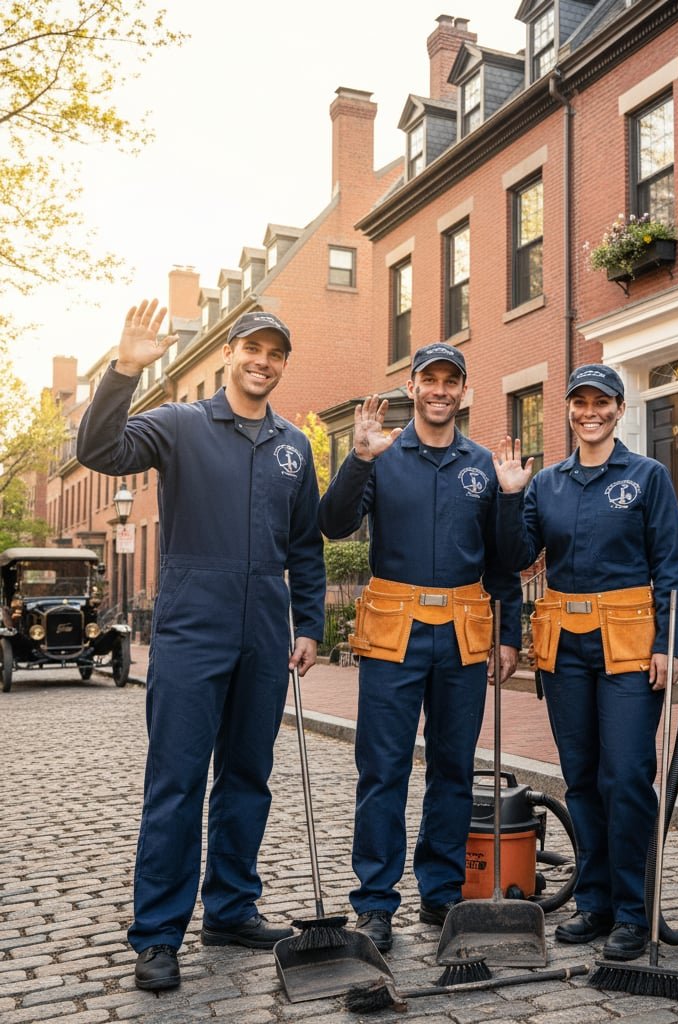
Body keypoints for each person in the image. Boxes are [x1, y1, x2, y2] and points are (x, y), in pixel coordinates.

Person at [77, 301, 325, 992]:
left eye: (276, 352)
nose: (263, 361)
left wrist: (310, 623)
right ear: (228, 353)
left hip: (264, 632)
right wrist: (125, 370)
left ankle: (231, 907)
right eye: (252, 348)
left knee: (247, 778)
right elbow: (97, 451)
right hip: (192, 628)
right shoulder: (180, 425)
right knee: (177, 783)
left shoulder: (294, 445)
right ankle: (157, 934)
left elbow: (305, 544)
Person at [317, 342, 522, 954]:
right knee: (383, 770)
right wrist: (356, 459)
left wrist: (508, 633)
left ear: (464, 390)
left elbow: (506, 564)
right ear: (411, 386)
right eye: (428, 379)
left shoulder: (484, 463)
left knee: (455, 769)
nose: (439, 390)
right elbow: (332, 524)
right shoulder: (380, 453)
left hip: (462, 634)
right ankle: (376, 902)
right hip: (392, 632)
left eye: (450, 381)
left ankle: (440, 891)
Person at [492, 364, 678, 962]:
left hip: (629, 644)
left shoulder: (648, 476)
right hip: (564, 647)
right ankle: (595, 902)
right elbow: (518, 558)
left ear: (619, 408)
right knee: (581, 777)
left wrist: (670, 645)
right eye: (579, 402)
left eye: (601, 401)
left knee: (626, 775)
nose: (589, 412)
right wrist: (510, 495)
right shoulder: (546, 482)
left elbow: (672, 564)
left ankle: (634, 909)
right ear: (569, 410)